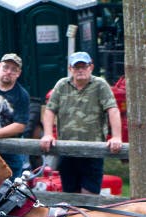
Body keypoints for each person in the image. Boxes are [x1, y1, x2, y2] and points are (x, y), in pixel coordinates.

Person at [39, 51, 122, 194]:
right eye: (76, 67)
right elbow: (49, 110)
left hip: (93, 150)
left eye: (84, 66)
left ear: (91, 67)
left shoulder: (100, 85)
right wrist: (47, 134)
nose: (80, 70)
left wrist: (116, 137)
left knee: (89, 195)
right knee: (69, 194)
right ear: (70, 69)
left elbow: (113, 110)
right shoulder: (61, 85)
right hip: (67, 149)